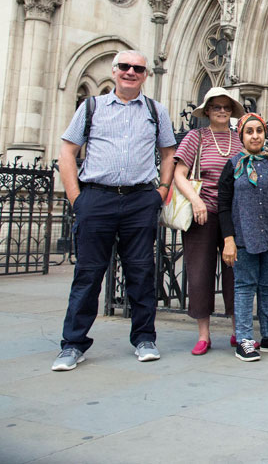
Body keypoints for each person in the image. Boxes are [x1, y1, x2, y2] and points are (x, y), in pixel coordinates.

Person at [53, 50, 176, 371]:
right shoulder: (91, 107)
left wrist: (161, 191)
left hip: (139, 200)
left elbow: (168, 153)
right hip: (96, 198)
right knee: (88, 274)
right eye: (125, 67)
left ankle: (145, 338)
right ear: (115, 71)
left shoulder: (155, 110)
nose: (130, 72)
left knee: (141, 272)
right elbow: (67, 152)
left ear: (146, 75)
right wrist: (76, 198)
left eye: (138, 68)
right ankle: (73, 344)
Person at [218, 113, 268, 361]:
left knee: (267, 287)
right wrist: (228, 240)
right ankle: (244, 339)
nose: (255, 136)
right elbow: (223, 205)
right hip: (244, 237)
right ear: (241, 136)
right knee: (244, 287)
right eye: (249, 131)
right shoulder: (233, 165)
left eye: (259, 131)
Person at [173, 87, 245, 355]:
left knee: (236, 273)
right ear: (207, 111)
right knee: (200, 272)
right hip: (201, 213)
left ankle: (240, 331)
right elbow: (179, 173)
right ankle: (204, 334)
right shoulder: (196, 137)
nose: (222, 111)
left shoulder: (239, 139)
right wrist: (196, 200)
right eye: (216, 107)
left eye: (227, 107)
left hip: (233, 215)